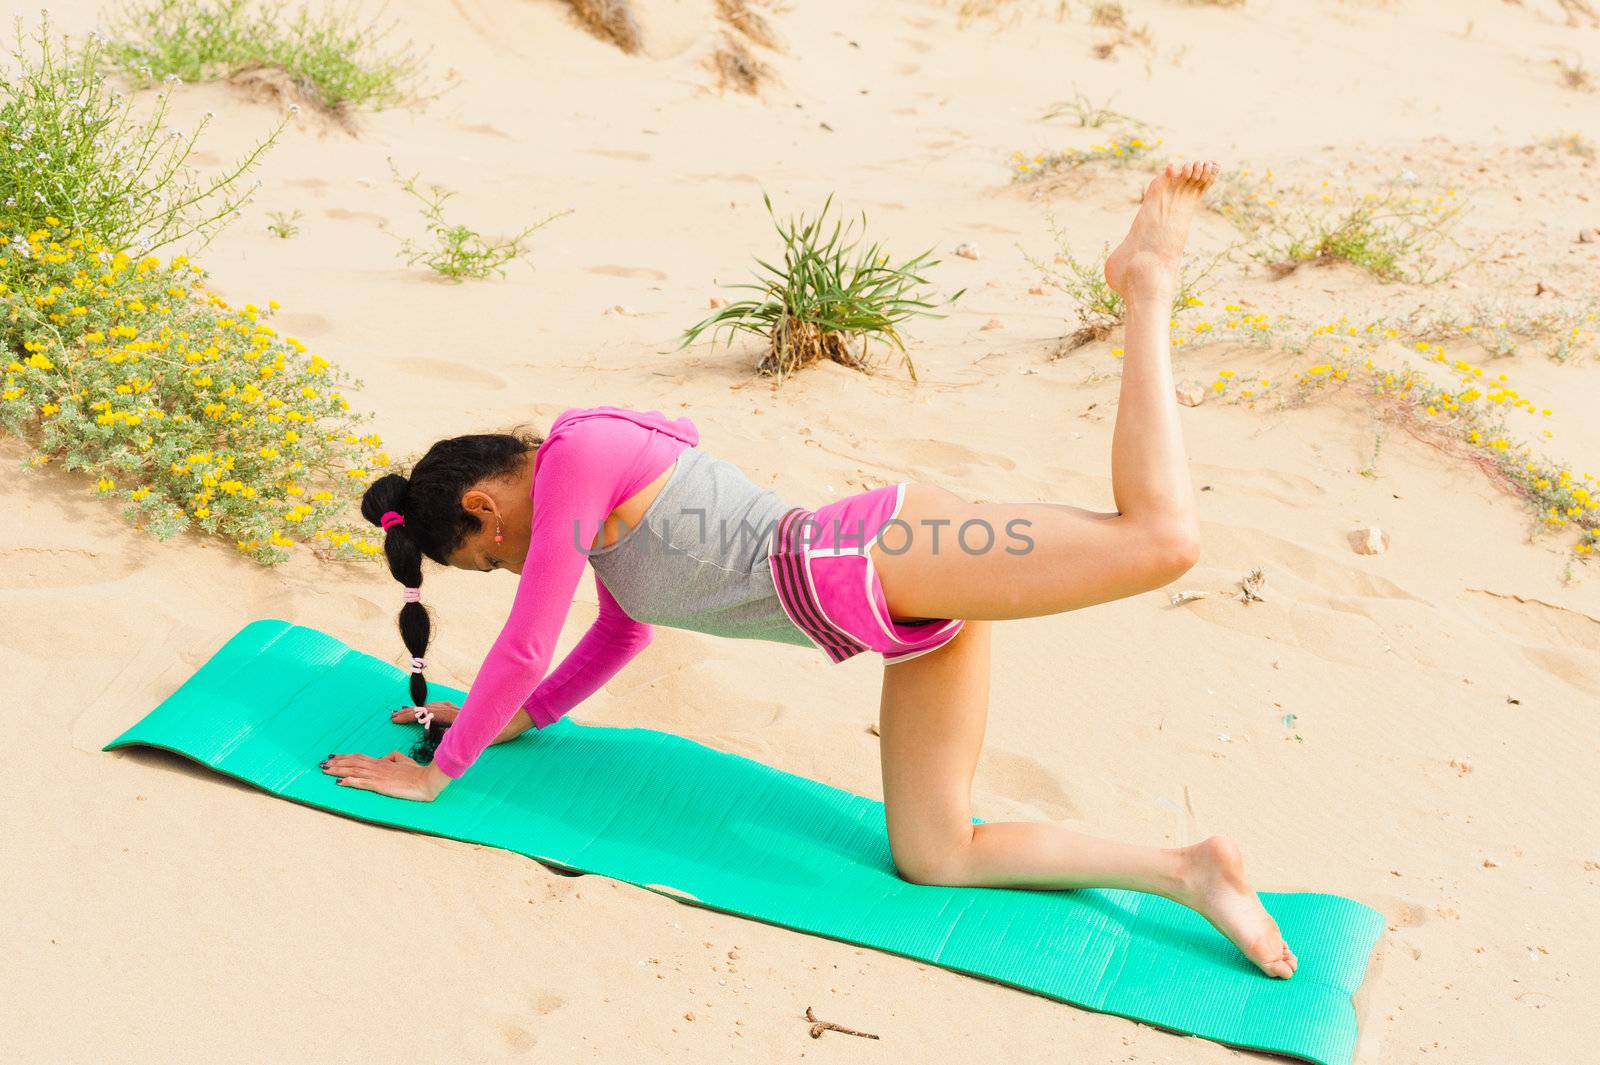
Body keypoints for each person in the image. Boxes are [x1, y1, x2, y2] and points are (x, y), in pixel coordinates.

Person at [323, 161, 1298, 979]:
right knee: (935, 855)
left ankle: (1145, 285)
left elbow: (531, 632)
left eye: (486, 558)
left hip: (882, 551)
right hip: (897, 613)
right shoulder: (603, 529)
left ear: (486, 508)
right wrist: (512, 724)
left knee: (1161, 541)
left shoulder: (577, 457)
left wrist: (437, 777)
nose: (508, 567)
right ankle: (1187, 871)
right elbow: (614, 633)